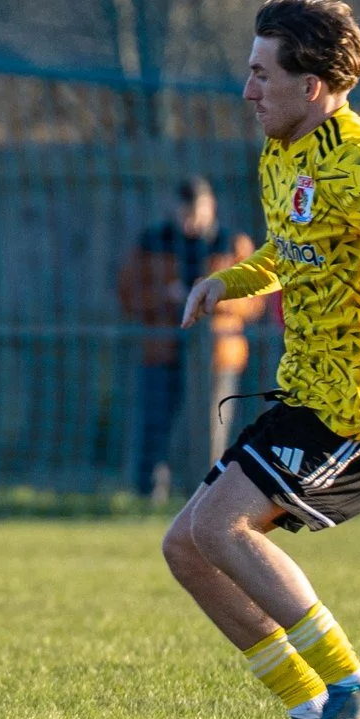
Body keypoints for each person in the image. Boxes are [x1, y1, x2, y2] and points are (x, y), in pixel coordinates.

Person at [163, 0, 360, 719]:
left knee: (221, 527)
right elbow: (291, 253)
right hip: (308, 395)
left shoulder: (352, 157)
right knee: (185, 546)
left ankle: (354, 681)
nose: (247, 88)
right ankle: (310, 706)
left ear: (313, 87)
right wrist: (228, 282)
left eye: (262, 74)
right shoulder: (280, 152)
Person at [116, 178, 265, 498]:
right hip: (163, 348)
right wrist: (167, 296)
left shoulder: (231, 244)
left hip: (216, 351)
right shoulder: (152, 242)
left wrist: (214, 296)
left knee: (211, 427)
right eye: (185, 214)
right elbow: (128, 295)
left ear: (211, 207)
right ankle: (149, 494)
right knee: (155, 423)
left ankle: (205, 496)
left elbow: (256, 300)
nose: (191, 221)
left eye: (197, 213)